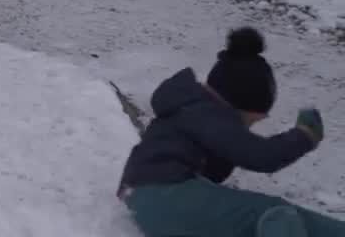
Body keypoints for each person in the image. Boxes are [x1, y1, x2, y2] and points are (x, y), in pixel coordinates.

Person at [117, 26, 341, 237]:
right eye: (252, 121)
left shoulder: (190, 109)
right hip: (166, 196)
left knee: (257, 219)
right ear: (238, 105)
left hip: (146, 197)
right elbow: (261, 156)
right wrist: (304, 135)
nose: (248, 129)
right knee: (275, 214)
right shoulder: (207, 115)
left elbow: (213, 171)